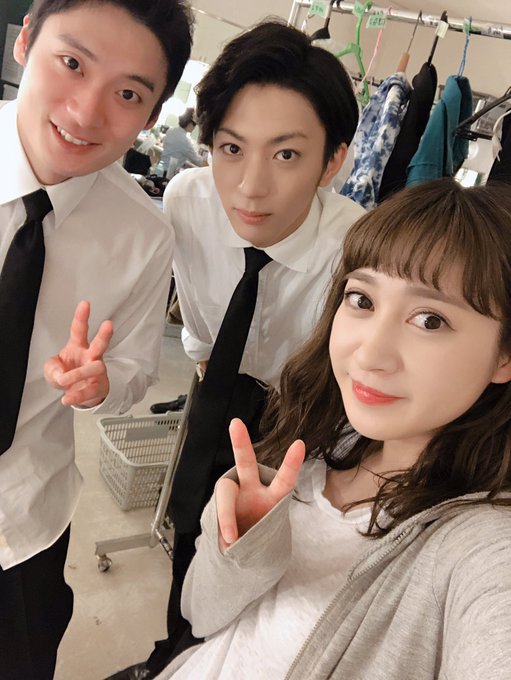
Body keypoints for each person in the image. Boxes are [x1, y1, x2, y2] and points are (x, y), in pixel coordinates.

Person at [160, 178, 511, 679]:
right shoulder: (315, 447)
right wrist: (242, 549)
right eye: (362, 300)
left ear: (504, 355)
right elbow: (199, 615)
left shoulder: (478, 544)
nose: (369, 354)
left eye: (430, 320)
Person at [115, 19, 365, 680]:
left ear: (332, 161)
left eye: (285, 155)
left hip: (307, 409)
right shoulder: (188, 199)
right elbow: (194, 298)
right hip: (218, 378)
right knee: (191, 519)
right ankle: (173, 654)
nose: (250, 186)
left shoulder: (356, 249)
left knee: (263, 553)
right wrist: (201, 351)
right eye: (231, 148)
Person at [0, 1, 193, 677]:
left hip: (23, 520)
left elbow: (137, 367)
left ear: (152, 114)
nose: (85, 113)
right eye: (72, 63)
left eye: (128, 94)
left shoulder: (142, 235)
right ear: (26, 39)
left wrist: (101, 384)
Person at [160, 108, 206, 178]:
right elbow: (197, 160)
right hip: (168, 173)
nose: (194, 128)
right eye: (194, 125)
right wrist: (207, 161)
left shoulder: (170, 131)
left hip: (161, 167)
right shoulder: (185, 141)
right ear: (190, 124)